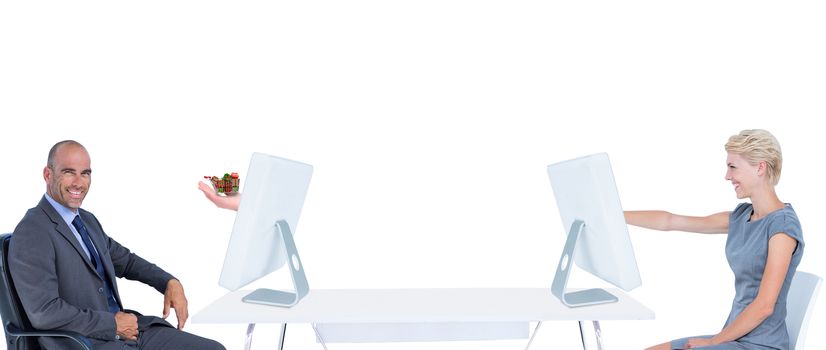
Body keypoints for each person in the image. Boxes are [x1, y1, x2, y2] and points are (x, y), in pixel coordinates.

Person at [9, 140, 225, 350]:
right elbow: (45, 312)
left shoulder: (86, 221)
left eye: (85, 173)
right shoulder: (33, 231)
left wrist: (169, 281)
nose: (79, 182)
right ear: (48, 175)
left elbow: (127, 261)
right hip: (86, 342)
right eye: (68, 172)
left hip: (128, 334)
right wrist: (113, 325)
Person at [626, 129, 804, 350]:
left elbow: (765, 306)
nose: (727, 176)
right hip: (733, 337)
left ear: (760, 167)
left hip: (761, 345)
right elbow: (671, 221)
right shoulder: (741, 217)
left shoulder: (783, 226)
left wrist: (712, 342)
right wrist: (615, 216)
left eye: (733, 167)